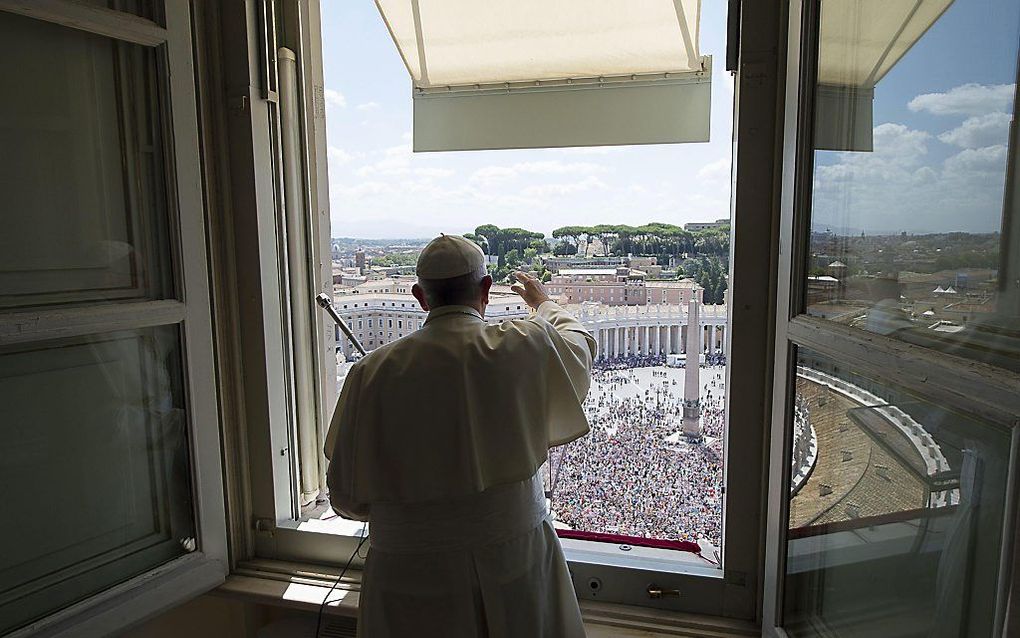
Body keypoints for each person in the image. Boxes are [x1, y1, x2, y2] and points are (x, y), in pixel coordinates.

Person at [324, 234, 596, 638]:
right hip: (514, 562)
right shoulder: (522, 344)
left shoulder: (370, 374)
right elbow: (579, 346)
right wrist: (543, 303)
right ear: (486, 290)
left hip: (406, 573)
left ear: (420, 297)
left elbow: (345, 497)